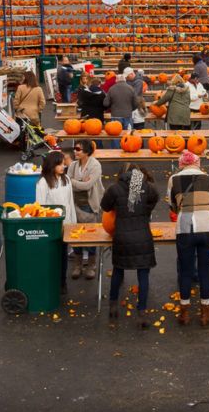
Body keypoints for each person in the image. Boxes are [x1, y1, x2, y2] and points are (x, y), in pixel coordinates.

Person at [168, 150, 209, 327]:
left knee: (186, 271)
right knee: (204, 271)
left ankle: (184, 314)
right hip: (207, 227)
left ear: (181, 164)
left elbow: (172, 206)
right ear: (197, 163)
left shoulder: (174, 179)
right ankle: (205, 314)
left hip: (185, 228)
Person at [100, 165, 160, 328]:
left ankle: (113, 305)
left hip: (122, 236)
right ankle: (142, 312)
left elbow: (105, 206)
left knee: (118, 271)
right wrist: (146, 211)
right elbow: (156, 197)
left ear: (122, 175)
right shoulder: (147, 187)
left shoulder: (115, 188)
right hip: (143, 236)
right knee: (143, 275)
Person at [34, 150, 79, 288]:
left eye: (63, 164)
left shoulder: (66, 180)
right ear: (51, 165)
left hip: (64, 225)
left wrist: (72, 222)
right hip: (50, 225)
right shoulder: (42, 183)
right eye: (59, 164)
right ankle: (51, 281)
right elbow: (40, 206)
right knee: (51, 255)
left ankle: (62, 281)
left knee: (63, 255)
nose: (63, 166)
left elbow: (70, 202)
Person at [68, 140, 103, 279]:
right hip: (74, 203)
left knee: (90, 235)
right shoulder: (73, 165)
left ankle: (91, 264)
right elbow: (67, 181)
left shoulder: (95, 165)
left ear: (87, 152)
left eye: (78, 149)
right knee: (76, 235)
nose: (75, 151)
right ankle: (78, 264)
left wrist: (75, 182)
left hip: (89, 204)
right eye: (75, 148)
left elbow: (87, 186)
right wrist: (79, 183)